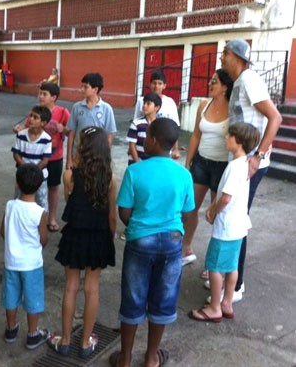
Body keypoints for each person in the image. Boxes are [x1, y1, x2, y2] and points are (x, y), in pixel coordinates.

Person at [111, 118, 195, 367]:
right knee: (163, 299)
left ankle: (124, 358)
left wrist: (139, 223)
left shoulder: (135, 171)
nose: (143, 140)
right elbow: (187, 212)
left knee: (133, 298)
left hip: (140, 241)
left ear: (155, 140)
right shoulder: (183, 174)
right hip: (172, 242)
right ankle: (150, 357)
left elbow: (124, 212)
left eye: (146, 137)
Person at [219, 39, 282, 302]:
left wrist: (257, 156)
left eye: (225, 53)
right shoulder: (239, 83)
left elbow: (275, 116)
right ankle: (229, 279)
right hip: (241, 161)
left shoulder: (249, 79)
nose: (221, 58)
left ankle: (236, 285)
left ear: (238, 57)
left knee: (236, 221)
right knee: (235, 218)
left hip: (251, 164)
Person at [48, 126, 116, 358]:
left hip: (75, 234)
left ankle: (65, 340)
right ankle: (86, 342)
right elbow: (112, 216)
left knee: (71, 287)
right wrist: (111, 237)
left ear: (82, 148)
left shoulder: (70, 175)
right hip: (98, 236)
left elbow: (69, 199)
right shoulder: (110, 178)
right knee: (92, 288)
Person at [188, 123, 260, 323]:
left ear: (238, 142)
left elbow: (226, 198)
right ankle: (226, 302)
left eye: (230, 135)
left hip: (226, 226)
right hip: (239, 226)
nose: (226, 137)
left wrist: (212, 211)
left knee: (215, 267)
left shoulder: (235, 166)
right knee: (231, 266)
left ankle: (214, 308)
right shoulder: (244, 164)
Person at [182, 69, 234, 271]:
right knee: (189, 208)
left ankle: (213, 265)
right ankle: (186, 249)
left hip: (222, 166)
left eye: (215, 81)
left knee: (216, 213)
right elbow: (195, 135)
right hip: (201, 162)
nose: (210, 84)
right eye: (210, 80)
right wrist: (188, 162)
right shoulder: (204, 105)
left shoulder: (233, 109)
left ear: (225, 87)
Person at [0, 163, 50, 349]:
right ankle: (32, 334)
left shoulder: (10, 205)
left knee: (11, 296)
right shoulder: (39, 212)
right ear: (39, 187)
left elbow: (3, 232)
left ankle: (11, 330)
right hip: (32, 264)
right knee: (32, 299)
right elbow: (43, 239)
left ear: (17, 184)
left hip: (12, 262)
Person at [14, 82, 70, 232]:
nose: (41, 96)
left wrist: (62, 129)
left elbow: (70, 131)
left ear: (54, 97)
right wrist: (18, 130)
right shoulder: (34, 113)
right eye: (40, 93)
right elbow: (27, 128)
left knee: (52, 187)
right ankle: (28, 218)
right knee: (28, 188)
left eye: (44, 94)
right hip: (33, 159)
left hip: (54, 157)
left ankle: (50, 218)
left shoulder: (63, 112)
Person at [66, 72, 117, 169]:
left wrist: (106, 158)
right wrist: (69, 159)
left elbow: (109, 136)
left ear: (95, 89)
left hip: (97, 157)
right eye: (81, 86)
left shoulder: (106, 109)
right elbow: (71, 133)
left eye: (85, 87)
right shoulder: (77, 107)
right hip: (79, 156)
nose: (82, 90)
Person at [12, 106, 52, 211]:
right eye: (31, 116)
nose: (31, 119)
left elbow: (45, 160)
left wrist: (33, 172)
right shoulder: (21, 135)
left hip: (40, 175)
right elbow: (16, 154)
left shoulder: (47, 139)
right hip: (22, 174)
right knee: (18, 198)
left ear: (43, 123)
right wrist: (25, 169)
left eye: (35, 117)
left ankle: (42, 224)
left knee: (41, 200)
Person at [134, 71, 181, 159]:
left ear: (164, 85)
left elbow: (174, 128)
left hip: (164, 150)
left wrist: (175, 149)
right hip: (144, 147)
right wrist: (132, 146)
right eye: (154, 83)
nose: (156, 86)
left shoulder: (170, 102)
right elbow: (135, 124)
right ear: (150, 84)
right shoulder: (141, 101)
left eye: (160, 83)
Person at [127, 92, 162, 164]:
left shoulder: (161, 125)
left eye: (148, 104)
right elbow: (132, 145)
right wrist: (137, 163)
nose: (144, 106)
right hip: (136, 162)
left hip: (153, 164)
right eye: (144, 103)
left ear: (157, 107)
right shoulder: (136, 123)